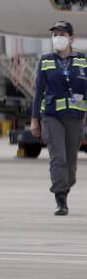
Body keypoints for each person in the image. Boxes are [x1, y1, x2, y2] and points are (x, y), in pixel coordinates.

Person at [30, 21, 87, 216]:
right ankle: (60, 198)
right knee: (58, 158)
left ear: (72, 38)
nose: (58, 37)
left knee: (70, 163)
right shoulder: (46, 61)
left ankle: (65, 186)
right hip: (52, 116)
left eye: (62, 33)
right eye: (55, 34)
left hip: (75, 117)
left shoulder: (83, 60)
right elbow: (38, 92)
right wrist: (34, 119)